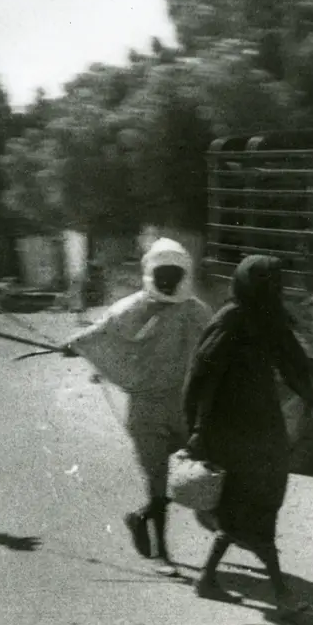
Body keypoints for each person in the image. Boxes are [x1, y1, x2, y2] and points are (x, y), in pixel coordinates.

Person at [182, 255, 313, 621]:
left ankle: (207, 579)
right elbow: (201, 379)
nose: (275, 290)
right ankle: (281, 593)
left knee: (255, 503)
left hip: (264, 425)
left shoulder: (271, 321)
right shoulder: (230, 321)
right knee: (253, 507)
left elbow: (296, 373)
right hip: (228, 428)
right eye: (268, 282)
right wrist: (198, 431)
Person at [61, 239, 212, 576]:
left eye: (175, 273)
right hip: (147, 408)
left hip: (186, 406)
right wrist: (75, 346)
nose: (169, 280)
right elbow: (100, 333)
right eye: (164, 273)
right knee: (157, 478)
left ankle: (141, 518)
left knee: (190, 475)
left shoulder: (198, 312)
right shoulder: (130, 308)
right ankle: (161, 553)